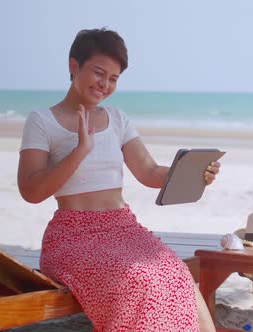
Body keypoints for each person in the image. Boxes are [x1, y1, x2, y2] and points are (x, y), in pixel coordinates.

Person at [17, 28, 219, 332]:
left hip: (123, 228)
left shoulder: (118, 119)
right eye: (99, 73)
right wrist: (81, 151)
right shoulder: (42, 120)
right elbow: (31, 191)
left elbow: (149, 172)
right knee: (137, 280)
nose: (105, 85)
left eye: (113, 79)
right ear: (74, 66)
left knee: (176, 274)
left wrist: (193, 171)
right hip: (73, 237)